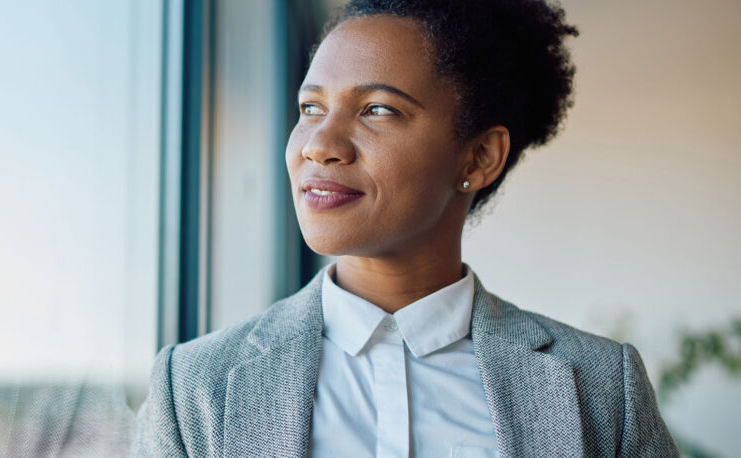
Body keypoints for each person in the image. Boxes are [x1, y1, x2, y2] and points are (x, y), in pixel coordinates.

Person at [135, 0, 677, 456]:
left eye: (377, 109)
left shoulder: (603, 390)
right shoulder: (194, 389)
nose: (319, 145)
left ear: (479, 157)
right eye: (310, 106)